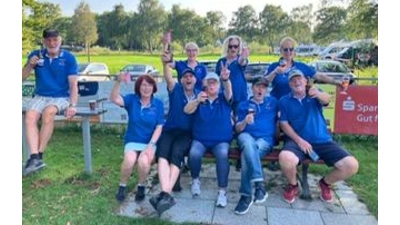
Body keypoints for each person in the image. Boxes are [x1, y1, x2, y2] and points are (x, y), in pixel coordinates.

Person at [278, 69, 359, 204]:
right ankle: (293, 185)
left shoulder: (314, 93)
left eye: (299, 78)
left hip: (322, 141)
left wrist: (318, 94)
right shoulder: (284, 100)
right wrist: (300, 141)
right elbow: (284, 124)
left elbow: (326, 99)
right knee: (285, 158)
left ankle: (325, 183)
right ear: (289, 84)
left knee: (351, 165)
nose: (296, 81)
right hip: (297, 141)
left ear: (306, 81)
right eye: (292, 80)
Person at [22, 28, 79, 176]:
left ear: (60, 40)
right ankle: (34, 157)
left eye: (55, 40)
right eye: (48, 40)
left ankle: (39, 156)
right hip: (40, 96)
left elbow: (73, 85)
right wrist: (30, 65)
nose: (52, 43)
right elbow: (21, 77)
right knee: (30, 116)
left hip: (61, 97)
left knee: (48, 113)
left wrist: (73, 105)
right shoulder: (36, 55)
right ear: (44, 41)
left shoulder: (69, 58)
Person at [148, 51, 198, 215]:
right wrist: (165, 63)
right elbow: (168, 76)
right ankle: (166, 194)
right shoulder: (175, 89)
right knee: (162, 154)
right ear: (182, 80)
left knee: (176, 152)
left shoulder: (199, 95)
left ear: (195, 80)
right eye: (185, 77)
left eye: (191, 76)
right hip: (169, 130)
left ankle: (164, 194)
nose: (188, 78)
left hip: (186, 134)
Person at [183, 66, 232, 208]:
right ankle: (195, 180)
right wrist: (197, 101)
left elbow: (229, 90)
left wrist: (226, 79)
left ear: (218, 85)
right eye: (209, 83)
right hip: (201, 139)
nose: (212, 85)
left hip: (221, 140)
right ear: (205, 84)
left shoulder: (224, 98)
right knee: (194, 153)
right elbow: (186, 110)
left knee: (223, 155)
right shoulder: (200, 97)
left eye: (214, 82)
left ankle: (222, 191)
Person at [110, 74, 164, 203]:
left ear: (154, 87)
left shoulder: (158, 104)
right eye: (143, 85)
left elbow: (159, 126)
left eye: (149, 85)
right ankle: (122, 186)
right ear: (138, 87)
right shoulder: (132, 100)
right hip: (133, 140)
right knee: (129, 160)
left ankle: (141, 186)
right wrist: (118, 82)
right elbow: (114, 98)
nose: (146, 88)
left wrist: (151, 144)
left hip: (149, 142)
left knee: (143, 162)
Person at [233, 77, 279, 215]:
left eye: (263, 87)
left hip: (264, 140)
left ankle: (246, 196)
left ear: (267, 89)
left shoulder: (273, 102)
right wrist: (245, 122)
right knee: (248, 144)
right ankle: (259, 185)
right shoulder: (243, 105)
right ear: (252, 88)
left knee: (247, 154)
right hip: (246, 136)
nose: (260, 89)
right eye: (258, 86)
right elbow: (237, 130)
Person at [265, 36, 343, 101]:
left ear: (294, 51)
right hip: (278, 106)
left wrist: (335, 82)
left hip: (297, 106)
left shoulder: (301, 66)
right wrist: (275, 72)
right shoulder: (273, 66)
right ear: (281, 51)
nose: (288, 52)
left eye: (291, 49)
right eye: (285, 49)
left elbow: (318, 76)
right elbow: (264, 83)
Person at [215, 35, 249, 111]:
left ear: (239, 47)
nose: (233, 49)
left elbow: (242, 62)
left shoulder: (240, 60)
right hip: (225, 96)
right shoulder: (221, 61)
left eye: (235, 46)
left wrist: (243, 57)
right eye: (230, 46)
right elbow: (216, 79)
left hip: (240, 96)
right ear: (227, 47)